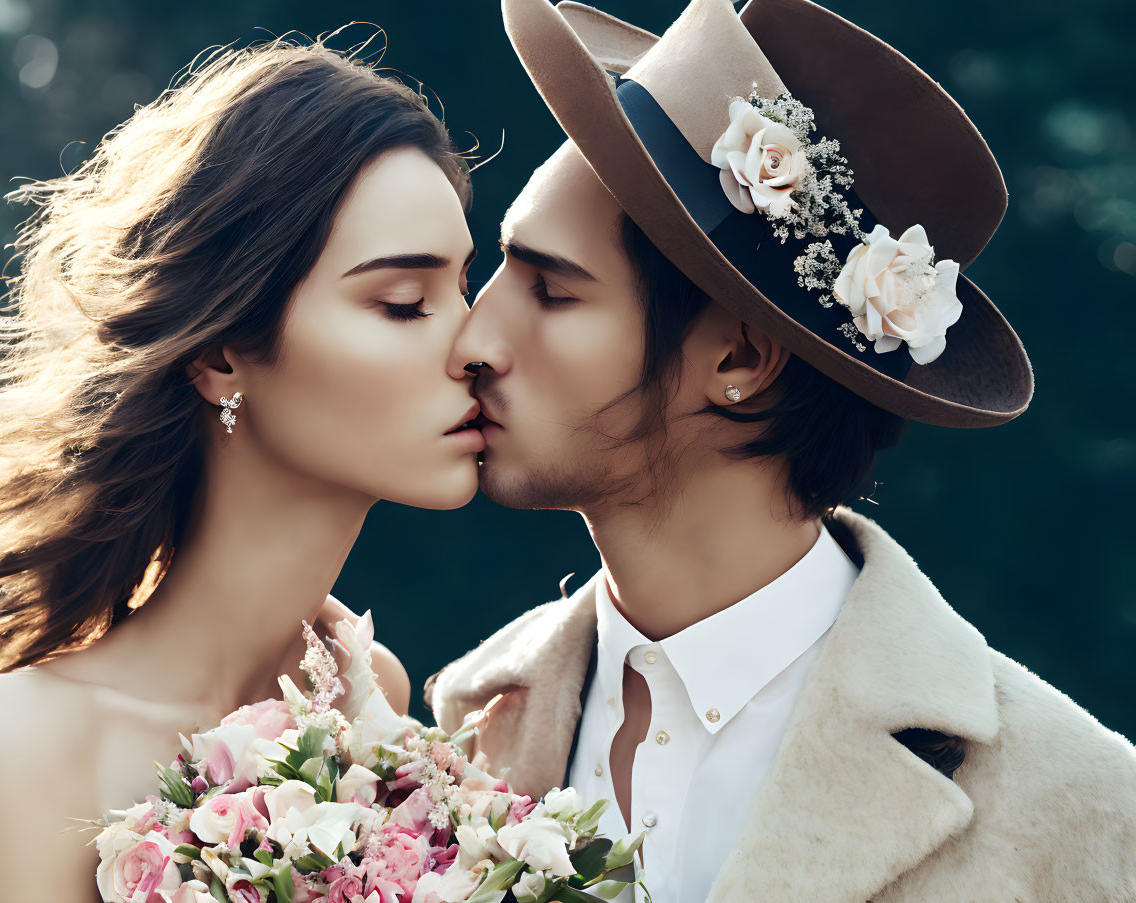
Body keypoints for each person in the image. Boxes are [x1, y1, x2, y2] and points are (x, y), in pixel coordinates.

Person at [428, 0, 1136, 900]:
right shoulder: (462, 720)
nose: (470, 340)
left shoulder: (1074, 803)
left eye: (550, 290)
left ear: (736, 358)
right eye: (496, 270)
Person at [0, 36, 485, 900]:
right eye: (404, 304)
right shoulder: (16, 747)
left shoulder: (370, 692)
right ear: (220, 355)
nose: (474, 343)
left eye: (464, 288)